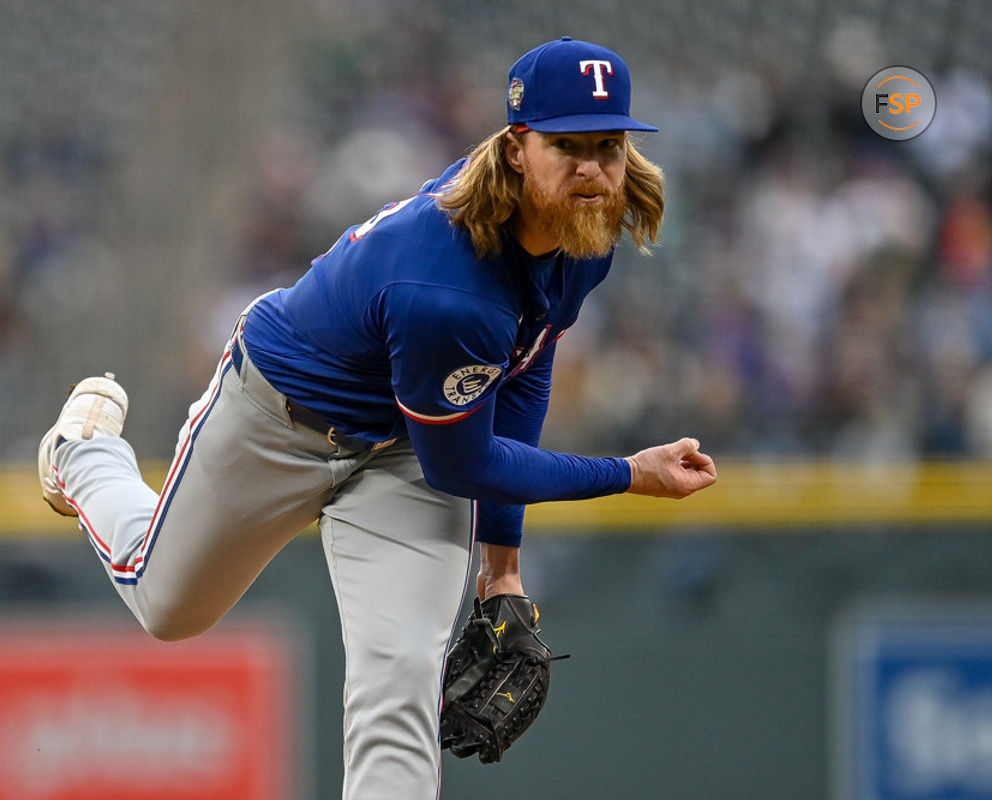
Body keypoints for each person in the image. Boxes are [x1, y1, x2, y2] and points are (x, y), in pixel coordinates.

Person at [37, 36, 716, 800]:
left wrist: (503, 569)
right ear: (519, 148)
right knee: (167, 607)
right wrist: (627, 474)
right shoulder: (451, 286)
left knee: (398, 688)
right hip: (281, 418)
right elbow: (462, 463)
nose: (593, 168)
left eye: (609, 146)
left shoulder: (586, 227)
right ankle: (85, 455)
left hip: (407, 450)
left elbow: (522, 374)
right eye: (568, 145)